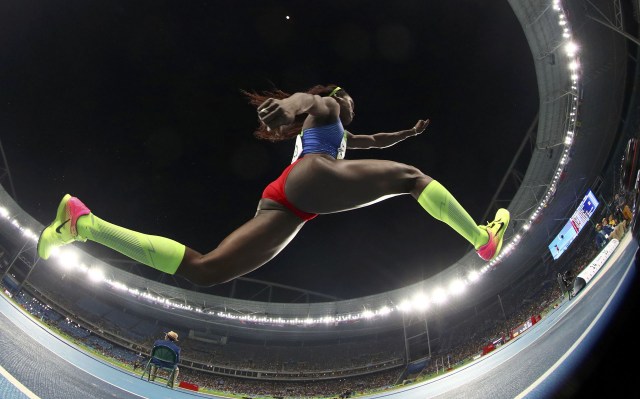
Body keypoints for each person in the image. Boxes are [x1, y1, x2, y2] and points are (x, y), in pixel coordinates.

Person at [36, 84, 510, 287]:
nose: (349, 103)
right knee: (410, 179)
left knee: (207, 270)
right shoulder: (324, 110)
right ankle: (481, 240)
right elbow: (309, 99)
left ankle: (85, 225)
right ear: (335, 100)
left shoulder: (345, 136)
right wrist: (291, 105)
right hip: (309, 178)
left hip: (285, 203)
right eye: (346, 98)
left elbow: (373, 139)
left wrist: (407, 133)